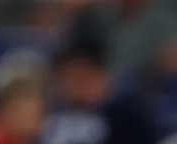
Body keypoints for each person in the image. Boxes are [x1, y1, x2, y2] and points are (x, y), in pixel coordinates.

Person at [43, 13, 159, 144]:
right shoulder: (47, 117)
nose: (74, 86)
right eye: (67, 77)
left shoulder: (126, 117)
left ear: (103, 77)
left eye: (82, 77)